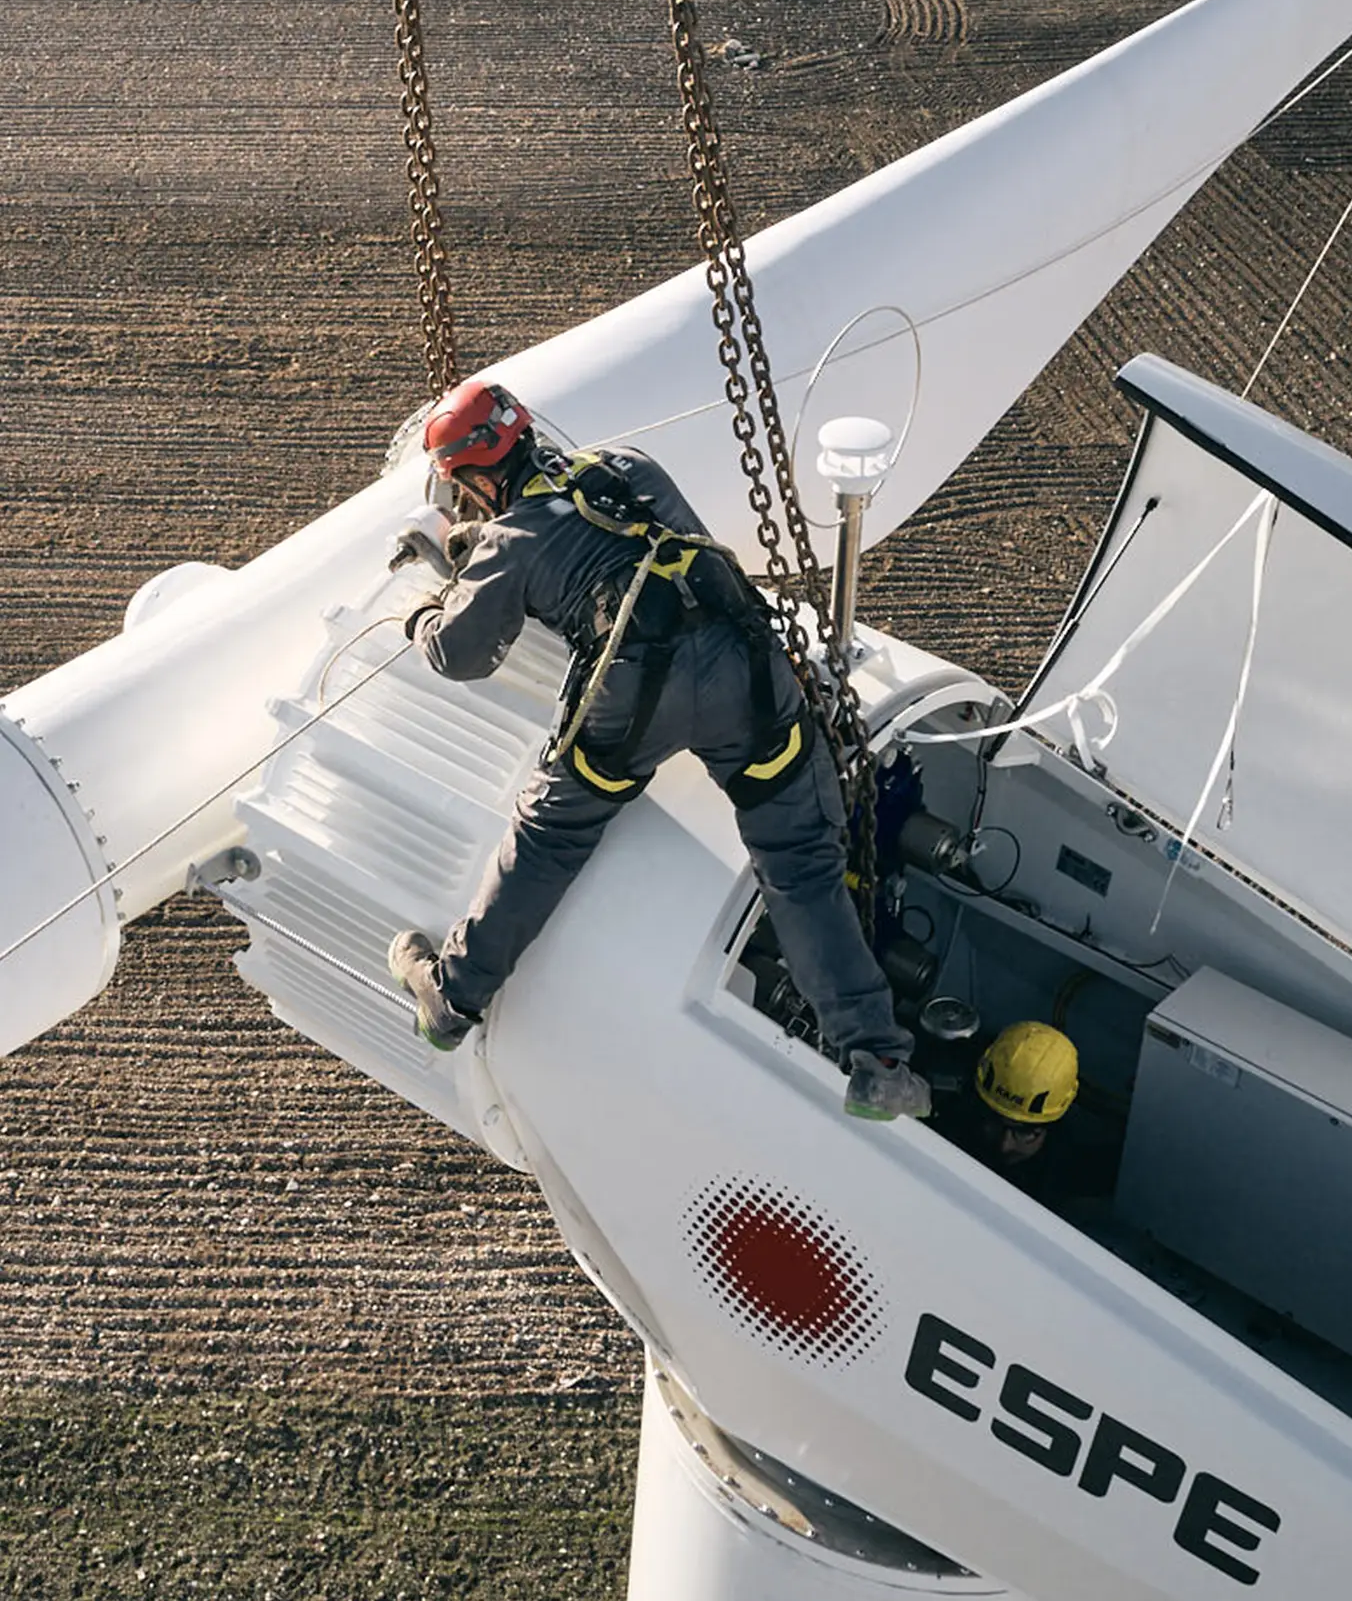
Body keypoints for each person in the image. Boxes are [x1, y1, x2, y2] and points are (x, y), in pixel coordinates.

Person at [386, 377, 929, 1122]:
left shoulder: (510, 543)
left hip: (636, 694)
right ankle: (877, 1057)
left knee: (550, 838)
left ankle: (452, 998)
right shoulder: (627, 468)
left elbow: (460, 653)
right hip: (748, 673)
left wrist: (422, 605)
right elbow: (648, 550)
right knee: (801, 860)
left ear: (477, 477)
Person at [932, 1021, 1118, 1207]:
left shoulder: (1063, 1172)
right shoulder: (948, 1110)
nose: (1005, 1145)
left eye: (1025, 1133)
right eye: (995, 1123)